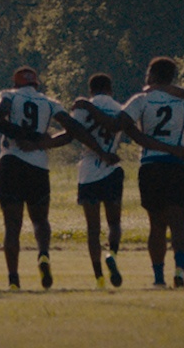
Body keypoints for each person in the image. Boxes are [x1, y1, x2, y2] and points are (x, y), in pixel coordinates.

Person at [0, 66, 111, 290]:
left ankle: (14, 279)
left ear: (16, 84)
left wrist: (1, 130)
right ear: (36, 84)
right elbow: (73, 130)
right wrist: (41, 142)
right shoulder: (49, 102)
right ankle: (43, 253)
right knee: (40, 220)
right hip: (38, 165)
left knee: (12, 225)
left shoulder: (8, 95)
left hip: (11, 162)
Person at [112, 57, 184, 289]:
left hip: (151, 167)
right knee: (179, 224)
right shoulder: (183, 100)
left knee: (156, 225)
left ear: (152, 75)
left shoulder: (141, 100)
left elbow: (121, 123)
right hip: (179, 166)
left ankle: (158, 278)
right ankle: (180, 269)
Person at [64, 73, 127, 289]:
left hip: (88, 170)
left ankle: (99, 276)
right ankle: (113, 254)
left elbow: (74, 132)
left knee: (93, 229)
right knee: (114, 223)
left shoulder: (82, 107)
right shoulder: (119, 108)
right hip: (112, 168)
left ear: (91, 90)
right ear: (110, 89)